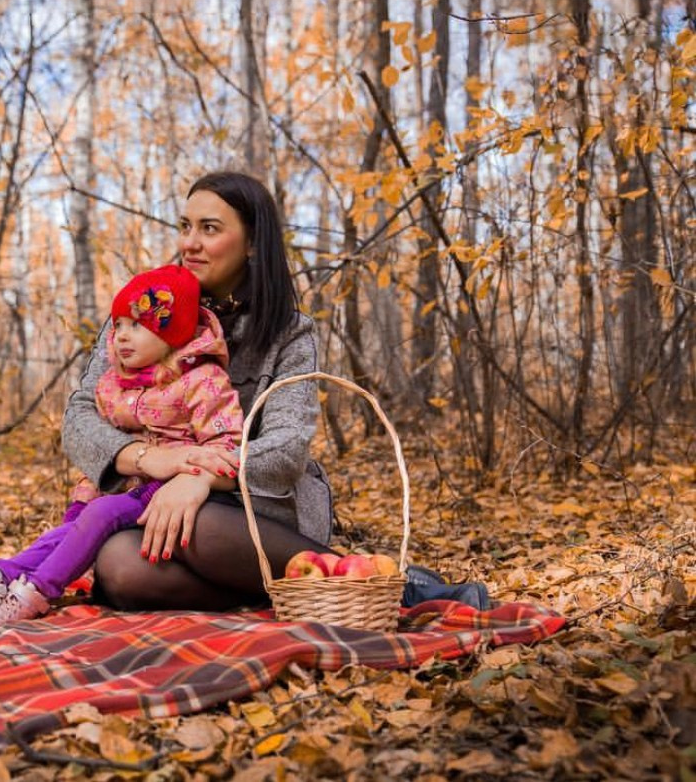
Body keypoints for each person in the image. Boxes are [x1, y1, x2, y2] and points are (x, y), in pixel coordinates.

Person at [63, 170, 488, 612]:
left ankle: (382, 588)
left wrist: (201, 476)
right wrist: (152, 461)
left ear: (251, 243)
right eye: (185, 226)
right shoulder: (141, 311)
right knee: (119, 569)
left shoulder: (289, 333)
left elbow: (286, 448)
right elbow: (78, 418)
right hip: (146, 497)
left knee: (202, 521)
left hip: (257, 507)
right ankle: (312, 591)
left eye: (209, 229)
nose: (189, 242)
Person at [0, 264, 247, 628]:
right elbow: (93, 431)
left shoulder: (203, 381)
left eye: (138, 325)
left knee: (100, 515)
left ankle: (34, 594)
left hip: (174, 491)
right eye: (119, 327)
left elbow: (228, 443)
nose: (122, 337)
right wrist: (88, 491)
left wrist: (194, 470)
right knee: (72, 527)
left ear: (172, 333)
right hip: (130, 486)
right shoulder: (115, 383)